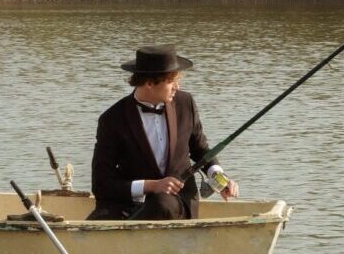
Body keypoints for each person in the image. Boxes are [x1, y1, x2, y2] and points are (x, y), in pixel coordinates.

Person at [87, 45, 239, 220]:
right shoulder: (112, 119)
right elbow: (101, 184)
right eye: (171, 81)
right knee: (95, 222)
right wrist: (151, 186)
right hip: (127, 205)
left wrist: (219, 178)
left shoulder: (186, 103)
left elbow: (201, 150)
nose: (177, 86)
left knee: (161, 203)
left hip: (177, 203)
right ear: (150, 83)